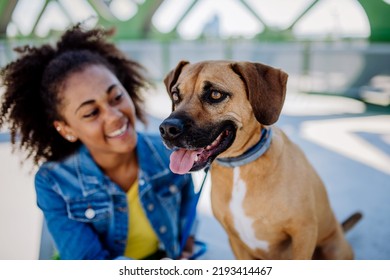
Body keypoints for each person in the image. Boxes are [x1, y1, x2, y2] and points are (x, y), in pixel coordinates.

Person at [0, 24, 197, 260]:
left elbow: (187, 205)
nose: (115, 116)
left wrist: (187, 244)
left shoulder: (169, 153)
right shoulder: (53, 182)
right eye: (91, 113)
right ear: (66, 129)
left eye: (116, 97)